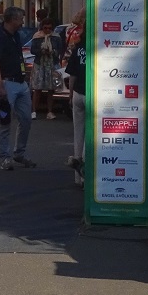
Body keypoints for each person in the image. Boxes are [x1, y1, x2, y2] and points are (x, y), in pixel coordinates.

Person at [0, 7, 34, 170]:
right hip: (7, 84)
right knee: (5, 121)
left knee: (26, 119)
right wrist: (0, 86)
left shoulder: (16, 35)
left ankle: (19, 153)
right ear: (12, 20)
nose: (23, 21)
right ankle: (5, 157)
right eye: (21, 18)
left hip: (21, 83)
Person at [62, 11, 88, 186]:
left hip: (78, 93)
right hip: (93, 93)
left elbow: (72, 74)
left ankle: (77, 176)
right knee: (90, 136)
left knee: (78, 134)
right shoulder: (99, 47)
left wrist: (70, 95)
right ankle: (85, 171)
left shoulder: (79, 48)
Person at [28, 17, 64, 119]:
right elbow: (33, 50)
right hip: (40, 64)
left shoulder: (56, 36)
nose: (47, 30)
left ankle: (50, 111)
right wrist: (41, 51)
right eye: (45, 28)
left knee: (51, 89)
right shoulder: (37, 36)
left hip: (52, 64)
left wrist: (53, 52)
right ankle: (34, 111)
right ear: (42, 27)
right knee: (37, 88)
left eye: (49, 28)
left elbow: (60, 49)